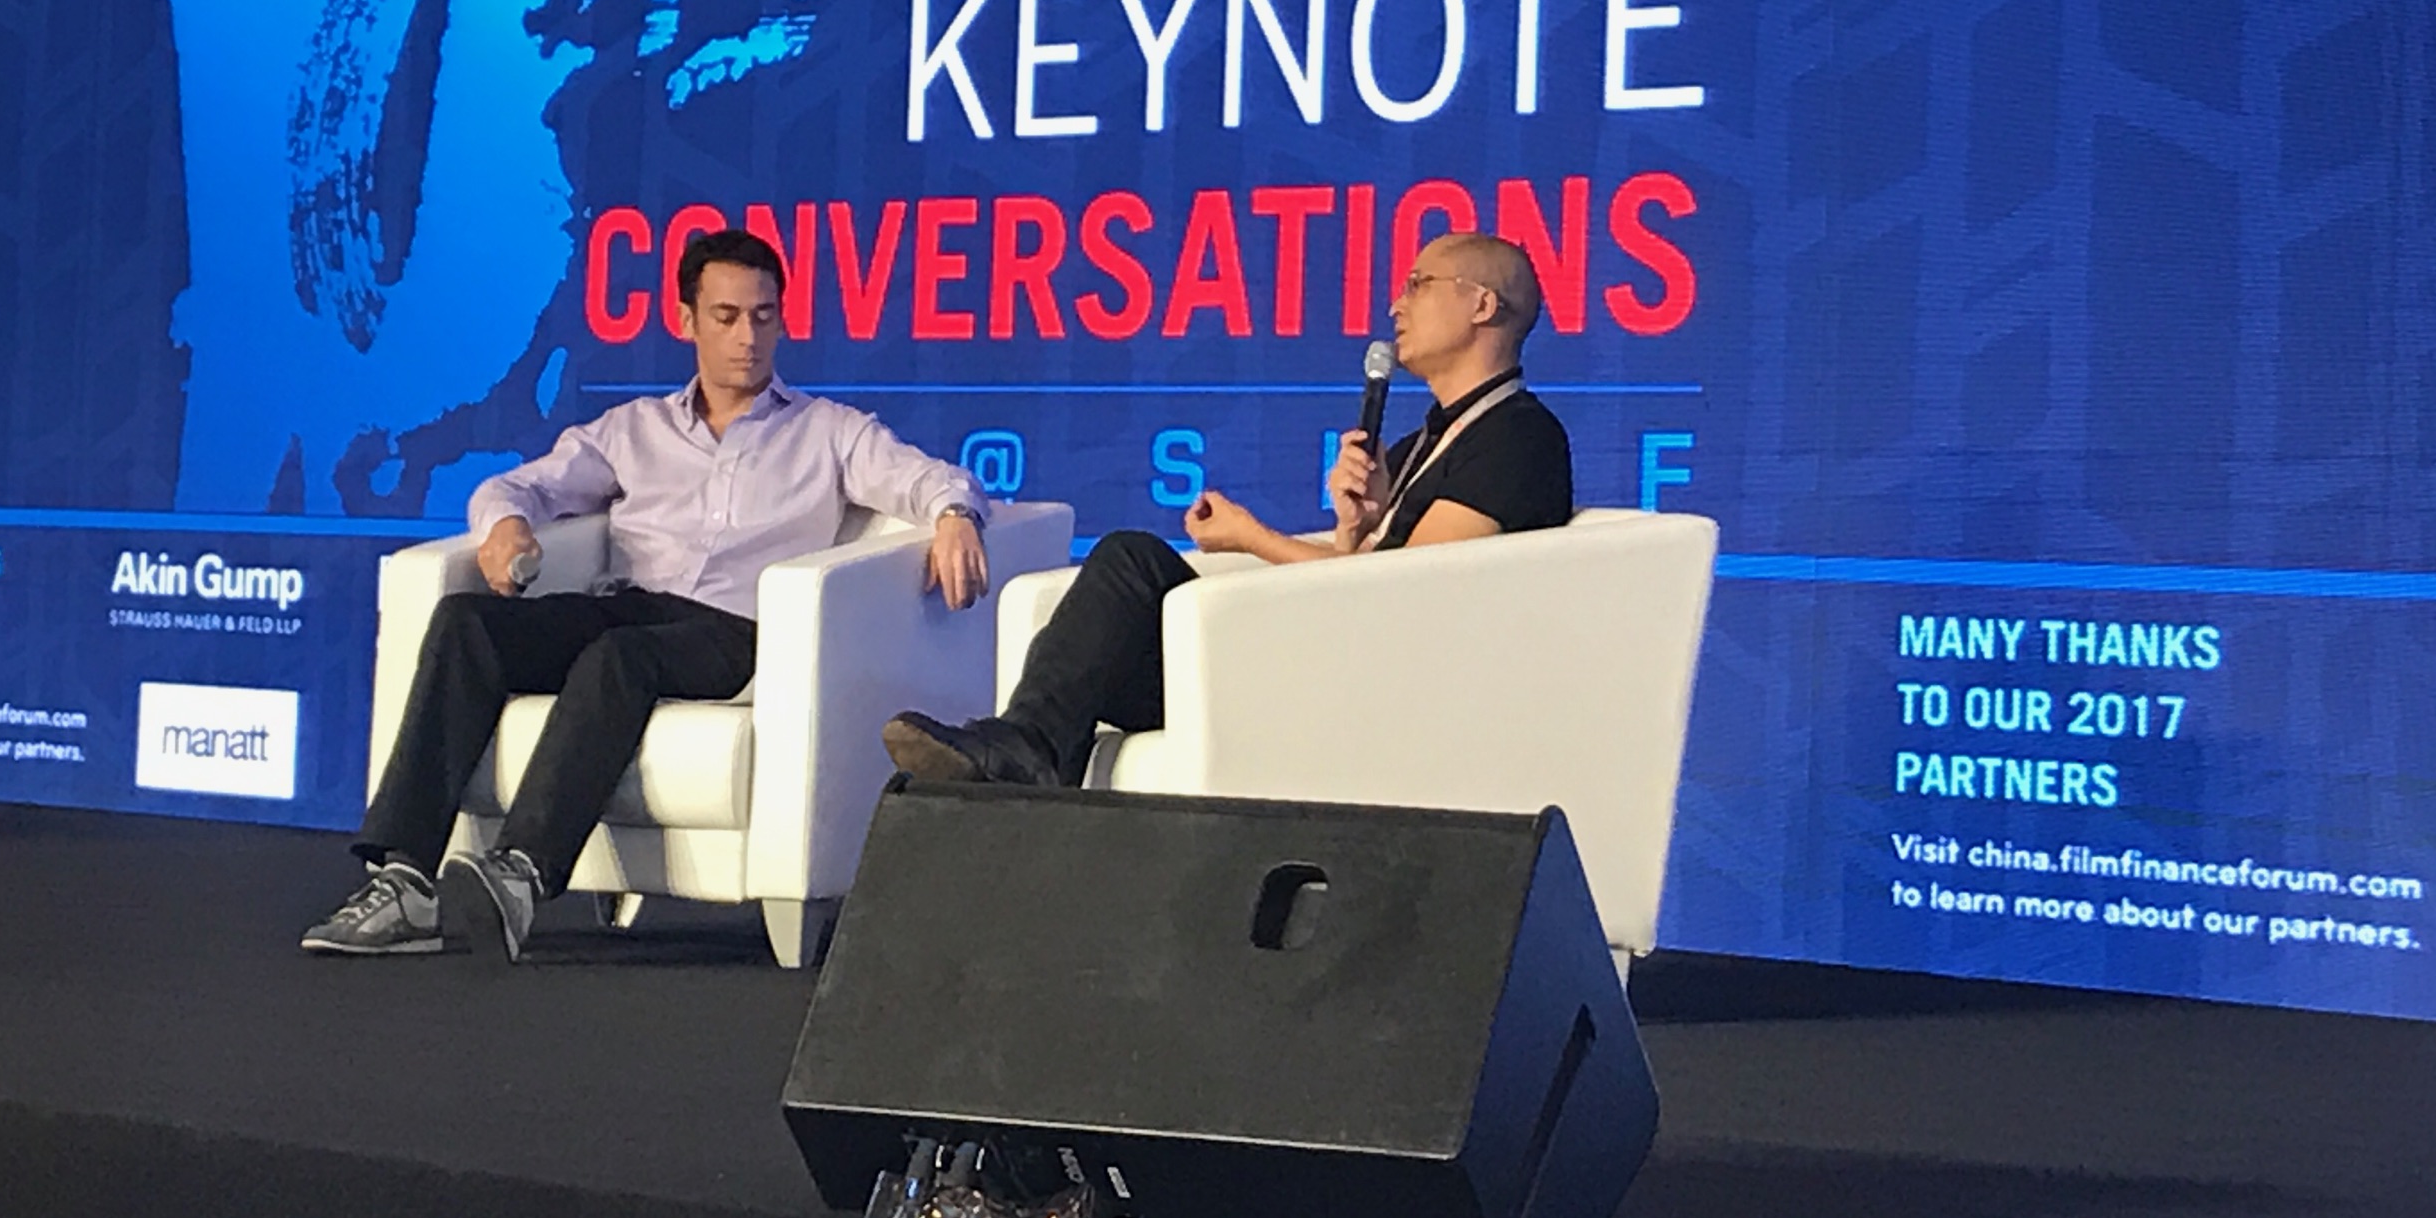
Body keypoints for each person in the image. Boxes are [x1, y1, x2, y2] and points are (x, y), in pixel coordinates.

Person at [302, 228, 989, 965]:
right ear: (687, 320)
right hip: (628, 603)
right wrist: (504, 526)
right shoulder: (633, 429)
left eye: (763, 316)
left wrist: (955, 514)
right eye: (727, 316)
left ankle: (522, 872)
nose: (748, 337)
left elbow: (931, 478)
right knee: (469, 622)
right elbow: (519, 485)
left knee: (620, 656)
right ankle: (405, 878)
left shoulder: (828, 432)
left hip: (734, 631)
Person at [883, 230, 1572, 789]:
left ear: (1482, 304)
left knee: (1131, 563)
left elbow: (1415, 593)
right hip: (1339, 656)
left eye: (1419, 284)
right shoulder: (1422, 441)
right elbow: (1369, 580)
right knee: (1123, 582)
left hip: (1386, 688)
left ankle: (1028, 749)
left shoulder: (1517, 436)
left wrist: (1251, 537)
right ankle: (1027, 747)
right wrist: (1354, 530)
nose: (1397, 304)